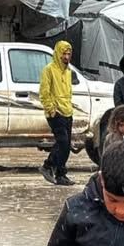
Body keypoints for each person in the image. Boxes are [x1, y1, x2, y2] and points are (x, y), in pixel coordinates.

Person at [39, 41, 76, 186]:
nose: (66, 57)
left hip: (67, 111)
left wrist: (70, 108)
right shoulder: (49, 70)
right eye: (64, 54)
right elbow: (44, 92)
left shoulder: (68, 72)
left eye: (68, 54)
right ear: (58, 54)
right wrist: (51, 110)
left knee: (66, 146)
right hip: (56, 113)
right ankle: (47, 166)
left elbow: (68, 93)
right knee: (63, 142)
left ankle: (61, 174)